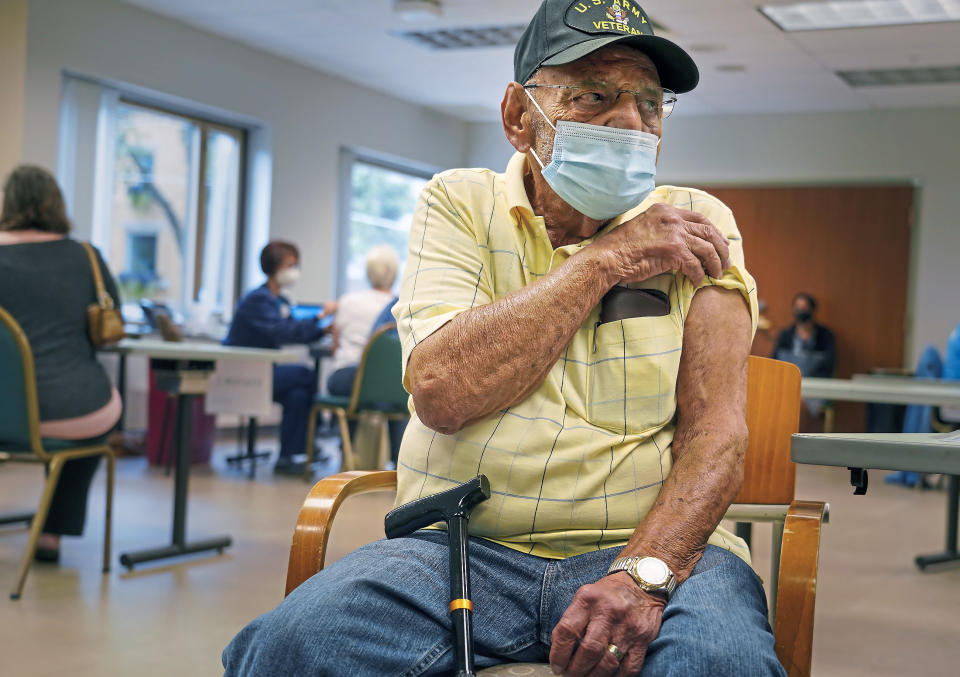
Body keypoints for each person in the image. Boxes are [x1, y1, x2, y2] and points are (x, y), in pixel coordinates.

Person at [224, 2, 781, 675]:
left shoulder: (696, 220)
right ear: (521, 117)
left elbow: (717, 434)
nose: (632, 122)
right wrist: (606, 260)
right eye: (595, 95)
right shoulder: (459, 203)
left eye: (650, 104)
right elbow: (441, 391)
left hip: (643, 548)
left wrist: (644, 573)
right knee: (290, 646)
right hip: (458, 546)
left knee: (718, 664)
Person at [0, 165, 123, 563]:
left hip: (3, 411)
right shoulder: (86, 257)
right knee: (99, 418)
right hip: (75, 407)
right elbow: (109, 322)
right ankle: (52, 533)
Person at [223, 241, 329, 475]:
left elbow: (291, 326)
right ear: (274, 267)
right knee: (304, 374)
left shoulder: (278, 300)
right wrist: (321, 321)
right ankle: (314, 436)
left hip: (261, 371)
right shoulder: (258, 300)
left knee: (298, 395)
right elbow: (284, 330)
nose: (295, 270)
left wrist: (318, 326)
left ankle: (288, 458)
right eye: (290, 265)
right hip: (244, 372)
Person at [325, 245, 405, 464]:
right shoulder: (402, 306)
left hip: (350, 380)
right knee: (392, 386)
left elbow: (335, 347)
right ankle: (399, 460)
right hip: (395, 387)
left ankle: (348, 453)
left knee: (351, 387)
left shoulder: (348, 301)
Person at [772, 292, 836, 426]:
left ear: (812, 310)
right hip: (786, 387)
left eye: (804, 307)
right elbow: (773, 363)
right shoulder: (785, 335)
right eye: (797, 307)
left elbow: (828, 367)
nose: (801, 311)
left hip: (816, 389)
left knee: (797, 405)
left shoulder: (825, 336)